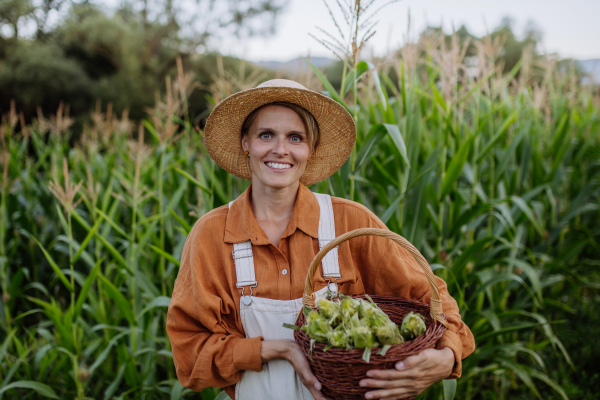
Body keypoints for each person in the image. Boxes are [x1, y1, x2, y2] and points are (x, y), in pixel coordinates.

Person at [166, 79, 475, 400]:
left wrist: (448, 355)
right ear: (245, 142)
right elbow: (190, 355)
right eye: (266, 135)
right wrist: (277, 349)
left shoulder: (350, 222)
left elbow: (434, 299)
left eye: (295, 138)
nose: (280, 149)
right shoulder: (213, 234)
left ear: (310, 149)